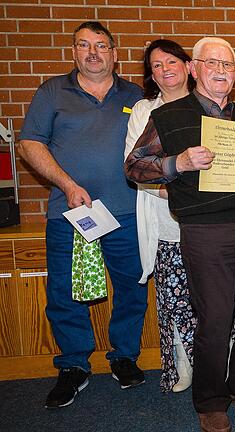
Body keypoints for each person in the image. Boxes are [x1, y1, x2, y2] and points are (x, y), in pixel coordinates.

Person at [125, 37, 235, 432]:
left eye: (228, 64)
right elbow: (134, 167)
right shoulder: (170, 115)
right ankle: (210, 400)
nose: (222, 70)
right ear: (194, 69)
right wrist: (178, 162)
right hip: (205, 231)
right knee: (215, 317)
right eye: (212, 63)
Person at [18, 21, 147, 409]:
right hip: (70, 213)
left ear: (114, 53)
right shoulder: (52, 92)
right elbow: (29, 144)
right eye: (84, 45)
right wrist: (68, 185)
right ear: (74, 52)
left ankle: (124, 357)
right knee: (64, 294)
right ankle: (74, 365)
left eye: (101, 45)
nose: (93, 52)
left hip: (127, 213)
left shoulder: (135, 95)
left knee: (131, 289)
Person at [123, 39, 196, 394]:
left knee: (216, 299)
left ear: (187, 65)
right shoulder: (144, 111)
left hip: (209, 224)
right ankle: (183, 363)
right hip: (168, 224)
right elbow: (136, 168)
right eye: (156, 65)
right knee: (175, 297)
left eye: (171, 61)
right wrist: (181, 194)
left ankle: (218, 362)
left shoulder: (208, 105)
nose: (165, 69)